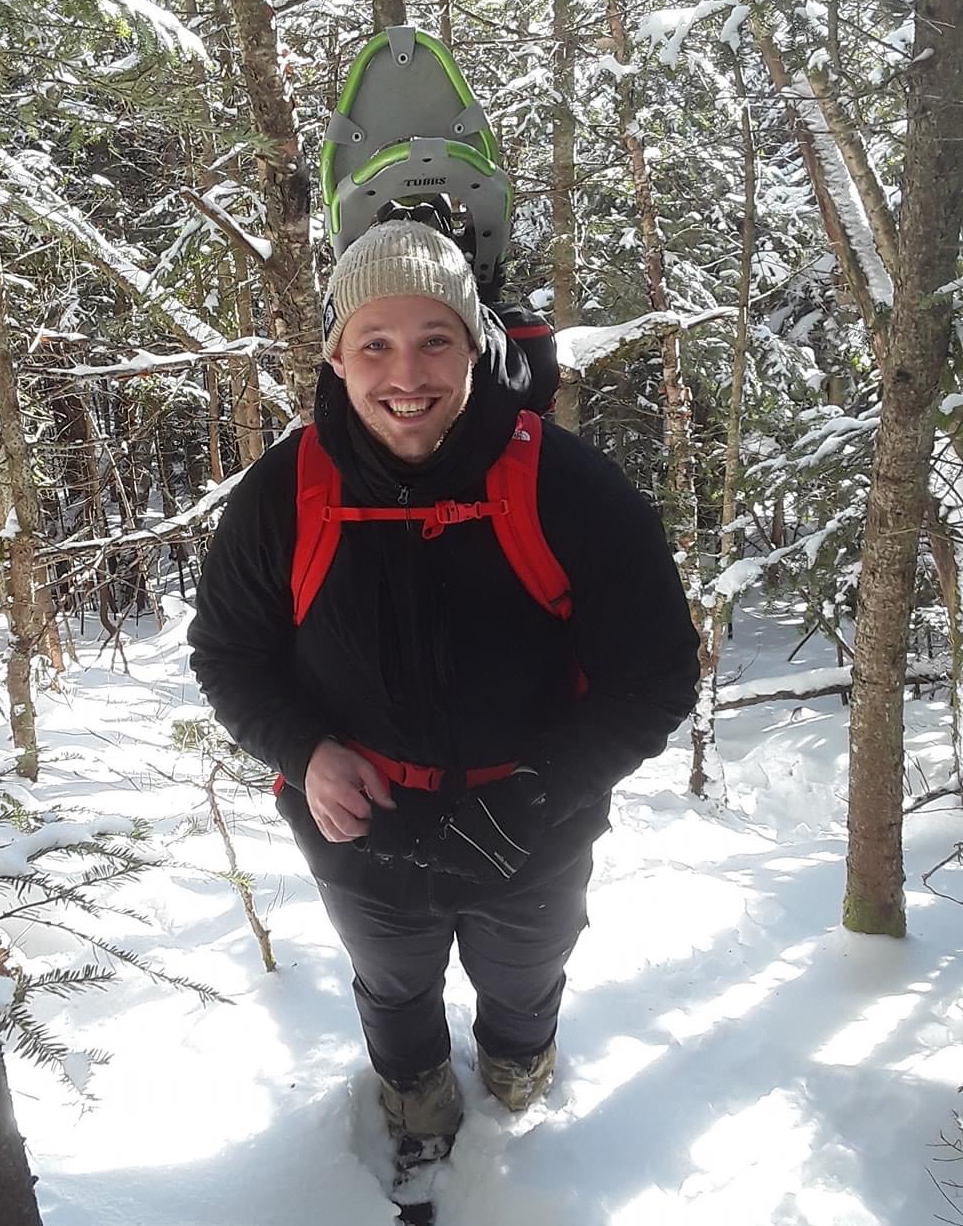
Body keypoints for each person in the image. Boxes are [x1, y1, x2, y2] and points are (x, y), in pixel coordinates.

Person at [188, 221, 700, 1176]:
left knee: (525, 974)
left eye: (435, 339)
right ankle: (413, 1086)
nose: (406, 373)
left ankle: (515, 1073)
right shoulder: (283, 494)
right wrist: (304, 753)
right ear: (336, 356)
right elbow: (227, 653)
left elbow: (658, 671)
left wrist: (542, 794)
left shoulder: (564, 485)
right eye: (374, 343)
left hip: (538, 823)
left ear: (476, 344)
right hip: (361, 826)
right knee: (392, 982)